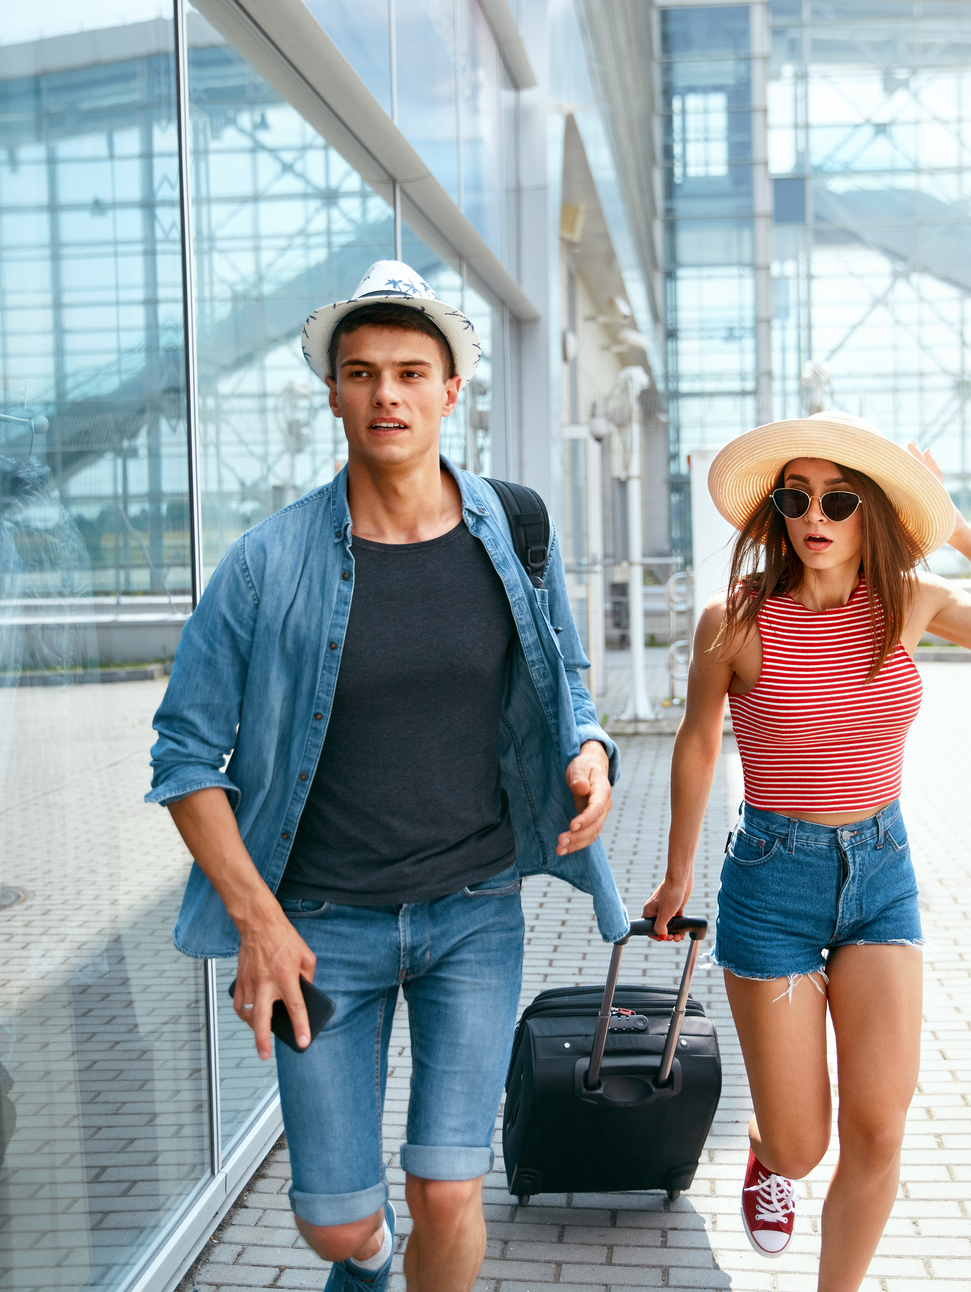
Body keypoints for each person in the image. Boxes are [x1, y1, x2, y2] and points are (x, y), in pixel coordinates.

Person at [148, 261, 628, 1292]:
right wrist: (259, 920)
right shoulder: (267, 563)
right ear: (333, 393)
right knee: (335, 1220)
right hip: (321, 929)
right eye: (361, 372)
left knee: (448, 1187)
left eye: (412, 371)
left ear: (453, 390)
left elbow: (565, 674)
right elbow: (185, 755)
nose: (387, 394)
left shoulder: (516, 530)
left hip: (473, 912)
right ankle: (363, 1267)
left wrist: (589, 748)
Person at [643, 412, 971, 1289]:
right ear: (775, 511)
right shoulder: (731, 622)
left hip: (881, 876)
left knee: (880, 1128)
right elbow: (698, 743)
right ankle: (770, 1152)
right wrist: (675, 872)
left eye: (839, 499)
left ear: (870, 516)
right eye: (796, 496)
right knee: (805, 1142)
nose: (815, 514)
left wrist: (957, 528)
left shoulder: (908, 604)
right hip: (771, 883)